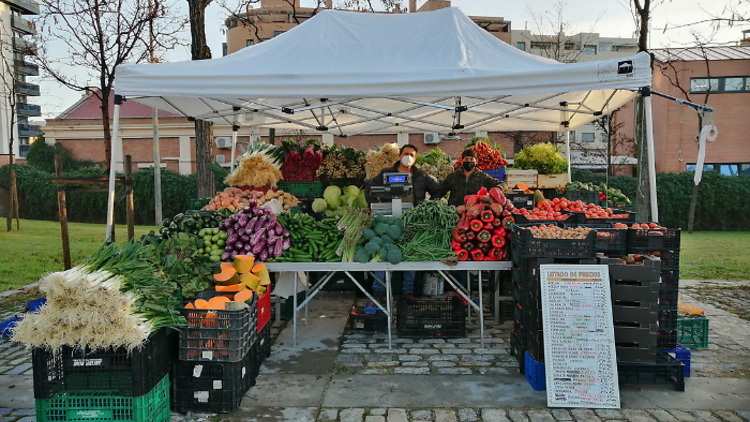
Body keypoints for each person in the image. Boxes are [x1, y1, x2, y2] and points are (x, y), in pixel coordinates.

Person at [365, 144, 442, 302]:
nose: (409, 157)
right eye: (406, 154)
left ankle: (407, 291)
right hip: (388, 220)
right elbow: (369, 188)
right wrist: (375, 208)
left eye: (412, 155)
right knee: (384, 252)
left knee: (409, 254)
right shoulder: (387, 173)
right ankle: (379, 291)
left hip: (412, 220)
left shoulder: (420, 175)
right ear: (400, 156)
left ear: (416, 157)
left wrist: (427, 207)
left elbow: (437, 190)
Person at [440, 148, 504, 290]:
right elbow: (440, 191)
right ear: (462, 160)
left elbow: (499, 184)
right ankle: (455, 287)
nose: (469, 161)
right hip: (454, 218)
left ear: (476, 161)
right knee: (455, 250)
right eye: (466, 159)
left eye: (471, 159)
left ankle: (468, 287)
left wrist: (495, 193)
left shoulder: (482, 176)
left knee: (470, 250)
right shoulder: (453, 177)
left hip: (474, 220)